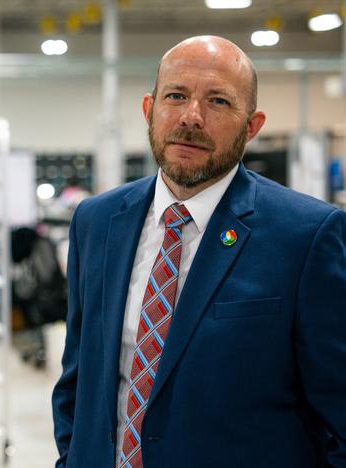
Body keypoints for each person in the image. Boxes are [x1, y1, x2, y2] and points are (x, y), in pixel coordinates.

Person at [52, 36, 346, 468]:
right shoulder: (97, 221)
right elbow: (77, 382)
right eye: (176, 96)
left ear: (252, 126)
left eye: (219, 102)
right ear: (150, 110)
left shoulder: (305, 236)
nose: (191, 117)